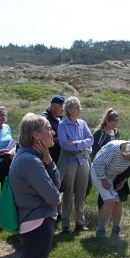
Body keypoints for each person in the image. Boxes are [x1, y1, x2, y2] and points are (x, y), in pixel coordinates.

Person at [8, 113, 62, 258]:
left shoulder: (34, 158)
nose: (53, 133)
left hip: (38, 221)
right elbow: (53, 196)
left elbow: (57, 185)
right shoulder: (29, 161)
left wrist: (49, 159)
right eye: (48, 129)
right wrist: (55, 198)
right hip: (37, 223)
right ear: (35, 135)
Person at [90, 139, 130, 238]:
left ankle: (116, 229)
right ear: (128, 152)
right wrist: (103, 180)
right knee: (110, 200)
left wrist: (123, 180)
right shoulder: (114, 149)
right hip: (99, 172)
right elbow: (98, 164)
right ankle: (101, 230)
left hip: (113, 175)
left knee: (118, 201)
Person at [56, 96, 94, 232]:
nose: (79, 109)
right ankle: (65, 225)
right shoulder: (62, 125)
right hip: (70, 162)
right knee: (68, 191)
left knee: (81, 192)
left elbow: (91, 140)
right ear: (70, 110)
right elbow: (65, 144)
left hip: (83, 161)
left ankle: (80, 223)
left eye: (79, 107)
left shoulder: (83, 124)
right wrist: (82, 144)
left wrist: (77, 143)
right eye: (77, 107)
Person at [41, 95, 65, 164]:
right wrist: (60, 139)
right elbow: (42, 140)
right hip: (48, 157)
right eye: (61, 107)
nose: (63, 110)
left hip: (59, 157)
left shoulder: (60, 119)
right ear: (54, 106)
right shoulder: (44, 119)